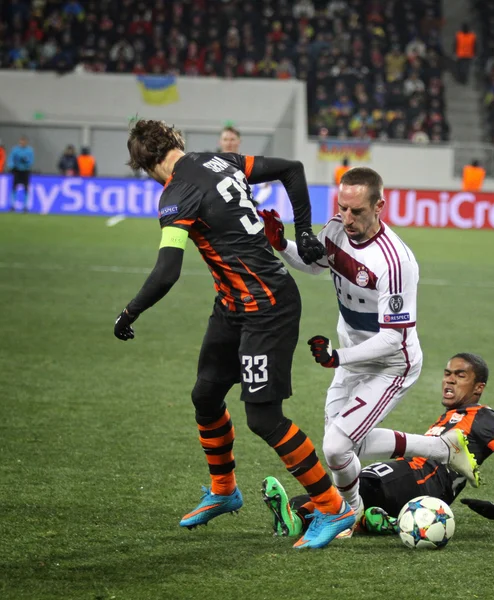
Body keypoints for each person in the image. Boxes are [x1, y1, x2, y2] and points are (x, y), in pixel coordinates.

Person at [113, 118, 355, 550]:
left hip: (267, 308)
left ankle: (332, 506)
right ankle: (224, 491)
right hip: (232, 306)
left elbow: (167, 271)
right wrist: (303, 230)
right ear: (175, 142)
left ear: (147, 164)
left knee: (264, 417)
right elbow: (292, 169)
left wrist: (130, 311)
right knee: (205, 396)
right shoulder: (220, 161)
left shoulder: (176, 194)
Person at [259, 167, 479, 527]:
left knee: (335, 446)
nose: (346, 218)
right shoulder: (335, 229)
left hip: (391, 364)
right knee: (345, 447)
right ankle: (441, 448)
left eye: (356, 211)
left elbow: (392, 337)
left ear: (379, 206)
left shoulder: (395, 262)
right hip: (350, 357)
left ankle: (348, 513)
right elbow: (314, 265)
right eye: (342, 208)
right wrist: (282, 244)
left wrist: (337, 357)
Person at [261, 353, 494, 537]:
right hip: (409, 475)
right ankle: (351, 519)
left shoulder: (483, 417)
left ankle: (307, 517)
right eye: (447, 373)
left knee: (361, 485)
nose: (449, 379)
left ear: (479, 387)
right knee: (339, 491)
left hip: (424, 480)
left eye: (460, 375)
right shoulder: (451, 416)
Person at [219, 124, 272, 205]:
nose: (228, 143)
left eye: (232, 139)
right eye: (225, 139)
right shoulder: (211, 163)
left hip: (242, 211)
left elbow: (266, 188)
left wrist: (256, 202)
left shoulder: (248, 162)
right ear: (220, 142)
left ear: (239, 141)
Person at [7, 135, 34, 212]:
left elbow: (31, 161)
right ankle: (13, 205)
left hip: (25, 171)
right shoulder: (15, 150)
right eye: (21, 141)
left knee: (25, 188)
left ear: (26, 142)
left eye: (24, 141)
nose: (22, 143)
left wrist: (27, 162)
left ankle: (25, 206)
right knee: (14, 187)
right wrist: (12, 166)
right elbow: (11, 159)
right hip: (17, 170)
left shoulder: (29, 150)